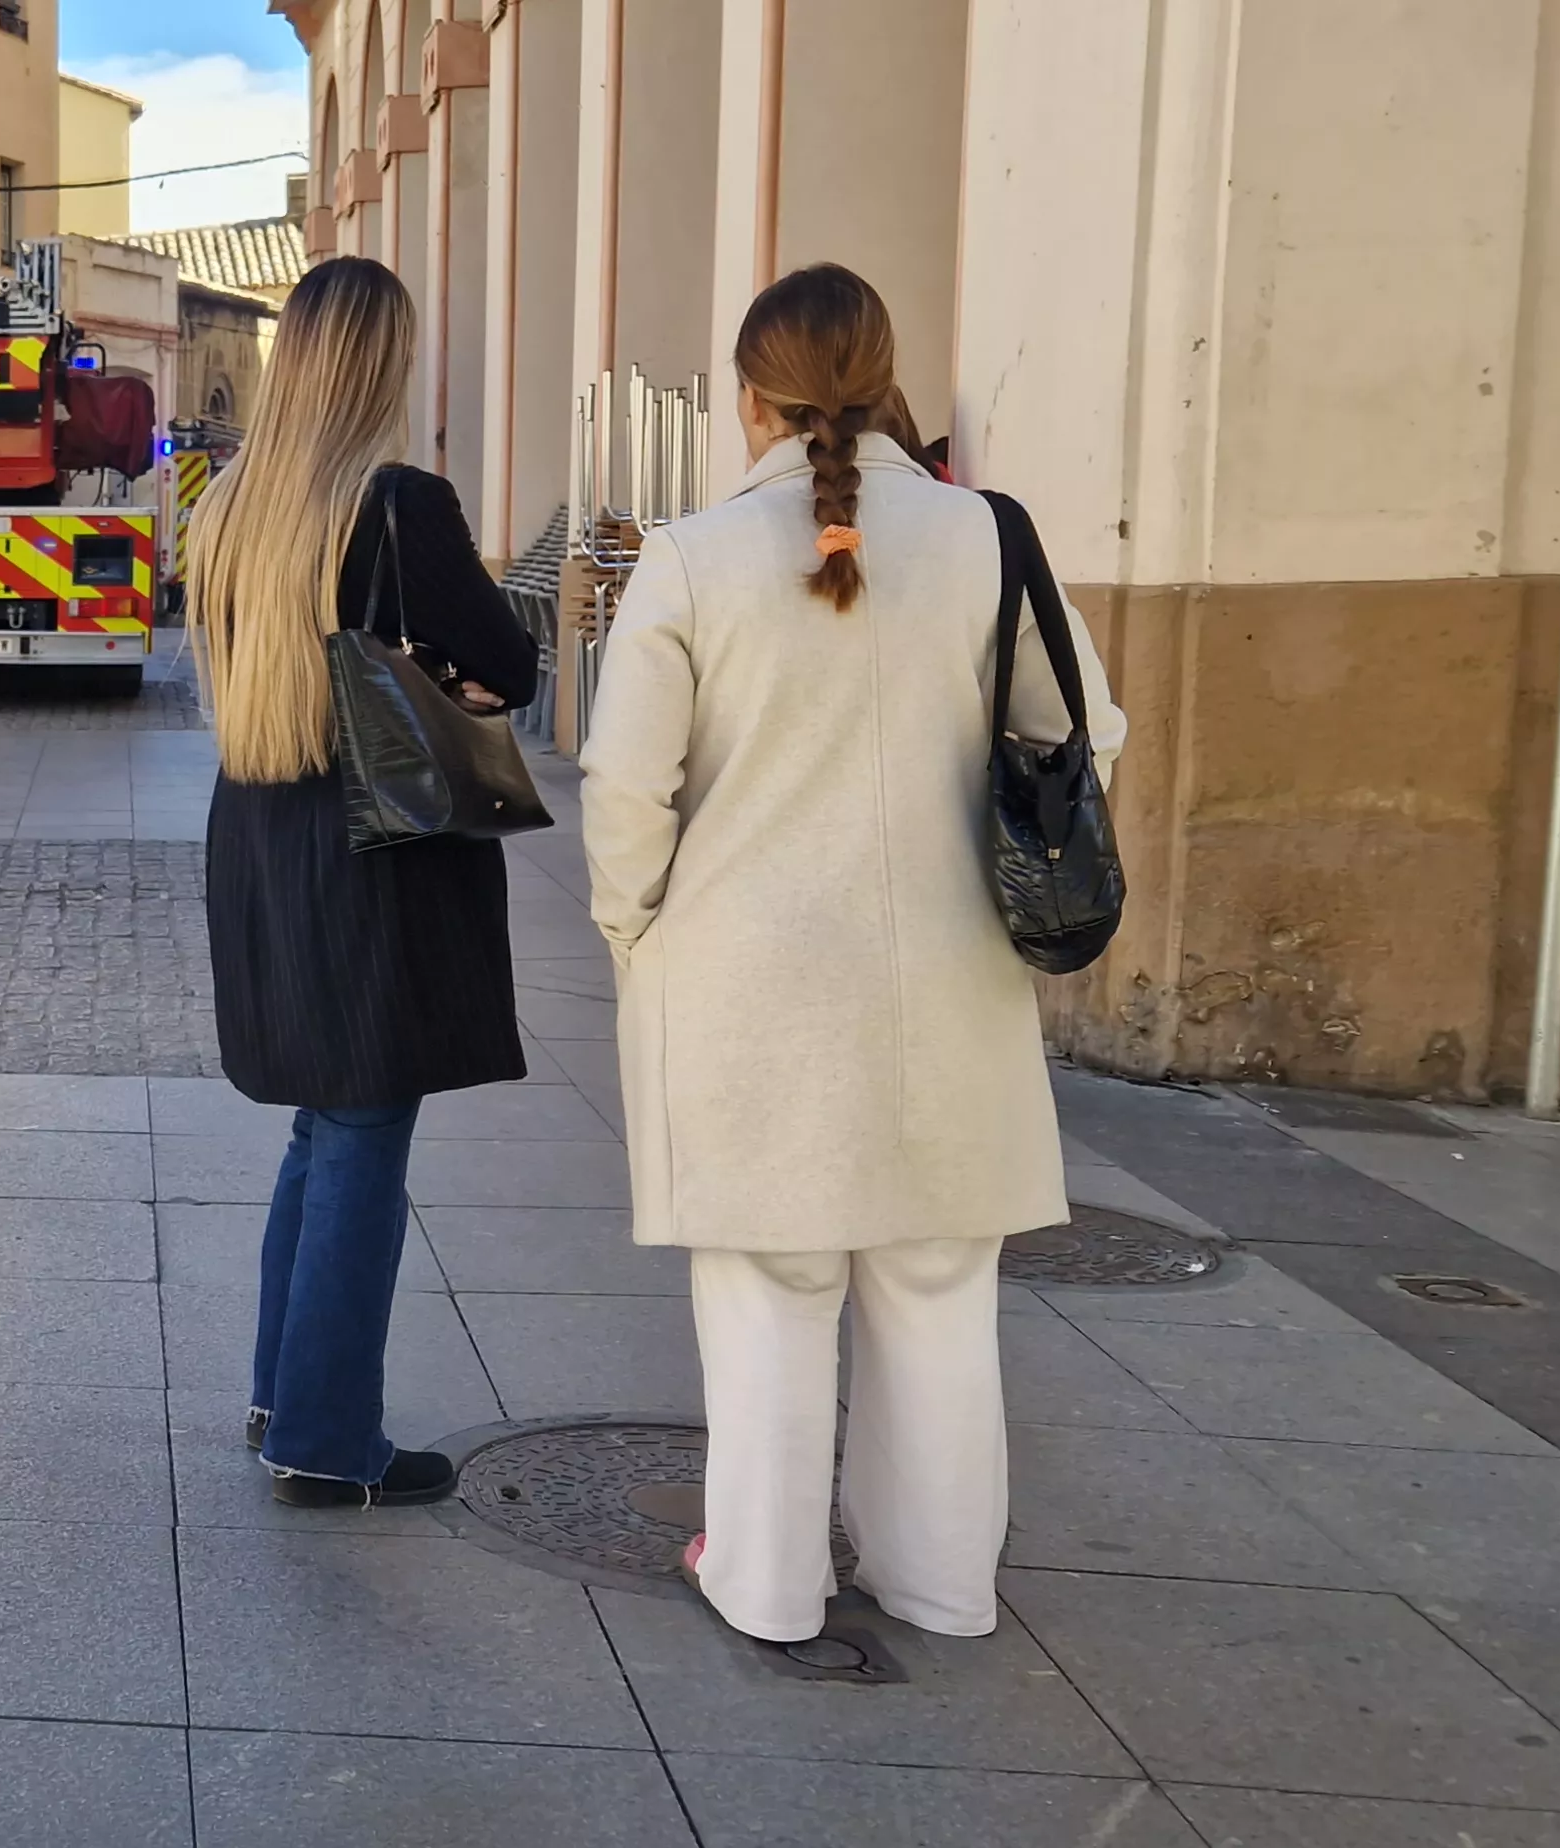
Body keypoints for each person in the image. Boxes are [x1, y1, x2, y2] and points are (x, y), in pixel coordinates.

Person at [580, 263, 1125, 1646]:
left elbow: (625, 785)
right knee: (942, 1295)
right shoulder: (987, 538)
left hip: (747, 983)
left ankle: (764, 1583)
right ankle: (942, 1585)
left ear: (751, 397)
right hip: (951, 981)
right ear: (886, 380)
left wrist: (637, 932)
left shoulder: (693, 556)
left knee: (771, 1293)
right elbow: (1084, 734)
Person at [194, 256, 539, 1508]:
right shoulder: (395, 503)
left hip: (262, 828)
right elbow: (510, 661)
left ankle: (283, 1393)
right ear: (379, 364)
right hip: (372, 845)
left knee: (321, 1124)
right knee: (360, 1134)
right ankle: (329, 1439)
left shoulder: (231, 506)